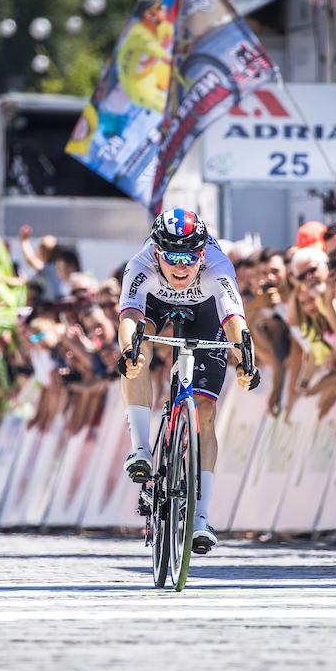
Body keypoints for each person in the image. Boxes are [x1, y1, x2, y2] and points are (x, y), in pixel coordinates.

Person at [116, 209, 261, 554]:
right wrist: (129, 352)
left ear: (201, 254)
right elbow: (130, 317)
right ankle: (141, 449)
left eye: (189, 259)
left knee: (206, 411)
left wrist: (247, 363)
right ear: (156, 253)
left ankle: (201, 516)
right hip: (154, 304)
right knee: (138, 355)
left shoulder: (218, 265)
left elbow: (235, 322)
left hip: (205, 310)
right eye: (172, 259)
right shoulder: (140, 265)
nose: (181, 268)